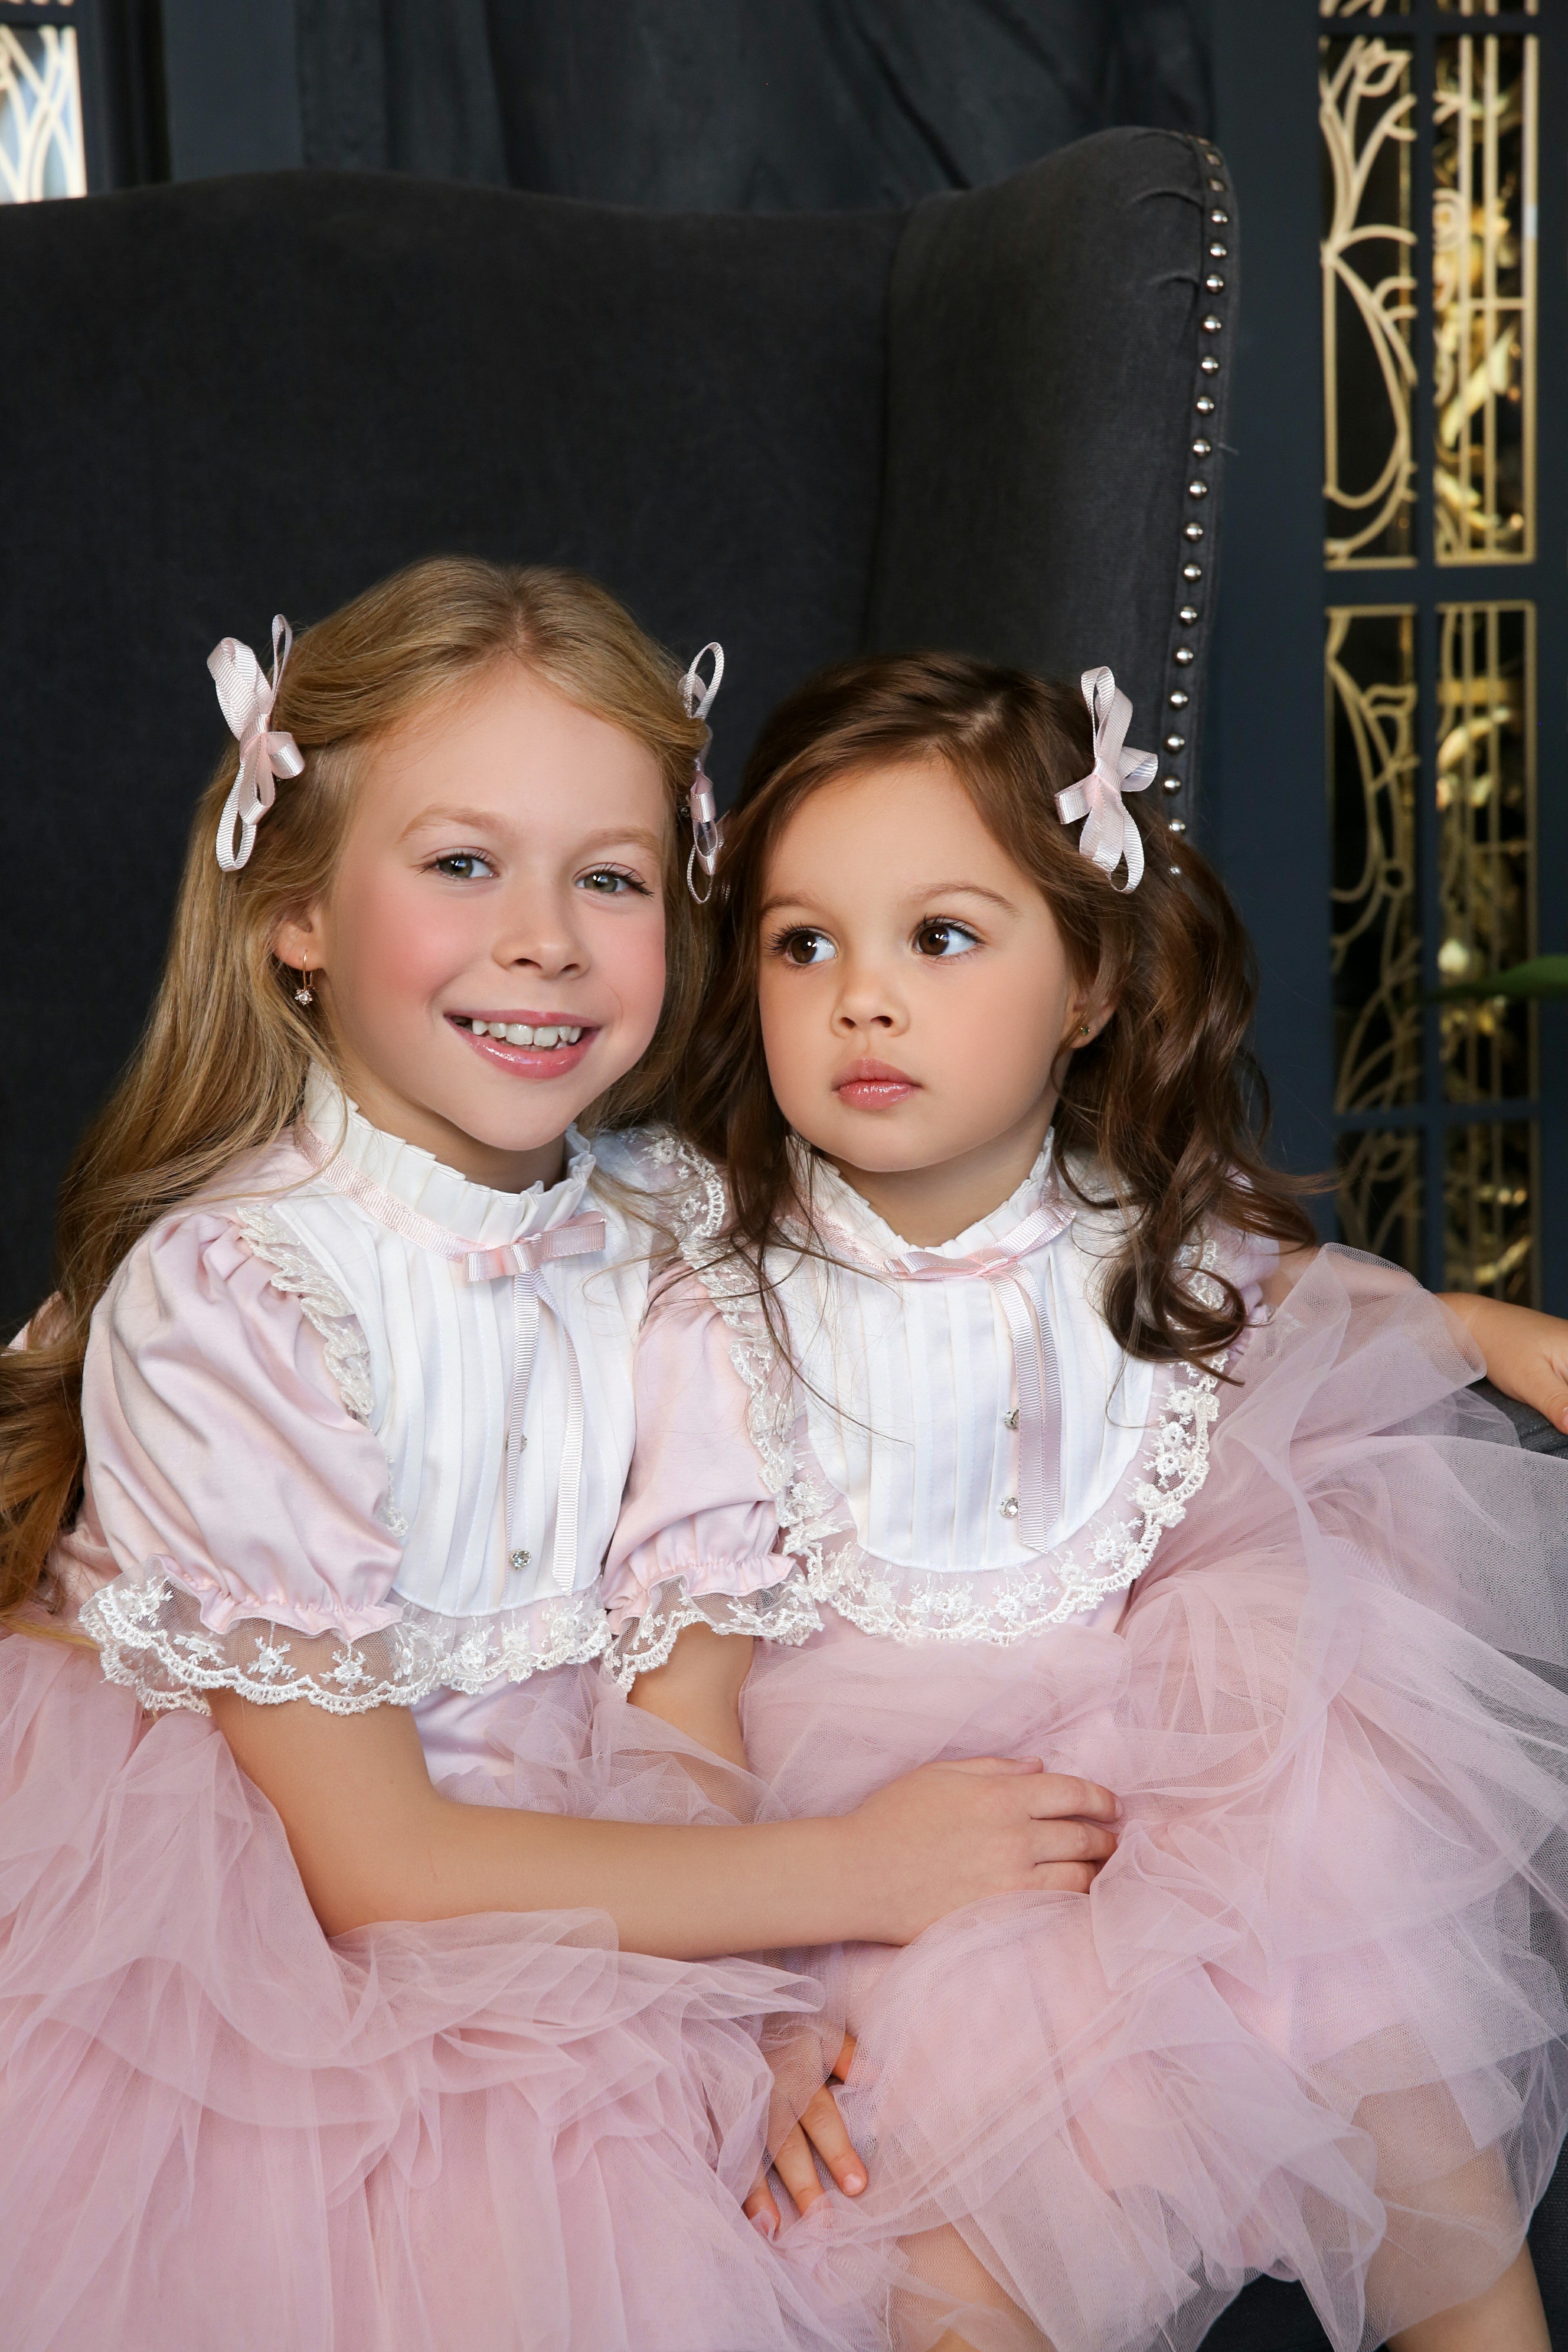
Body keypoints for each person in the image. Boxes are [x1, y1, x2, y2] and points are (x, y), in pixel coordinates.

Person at [0, 571, 1117, 2352]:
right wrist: (855, 1875)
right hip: (296, 1947)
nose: (545, 939)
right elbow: (371, 1868)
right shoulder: (238, 1297)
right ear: (294, 912)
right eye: (462, 866)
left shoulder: (678, 1241)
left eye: (608, 878)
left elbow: (686, 1724)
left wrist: (755, 2007)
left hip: (610, 1896)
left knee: (953, 2179)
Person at [600, 652, 1568, 2352]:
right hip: (878, 1859)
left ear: (1092, 984)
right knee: (945, 2260)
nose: (862, 999)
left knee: (1395, 2060)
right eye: (802, 941)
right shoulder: (714, 1315)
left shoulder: (1132, 1234)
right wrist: (739, 2014)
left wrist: (1479, 1322)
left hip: (1167, 1788)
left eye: (941, 937)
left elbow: (1286, 1305)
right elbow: (680, 1728)